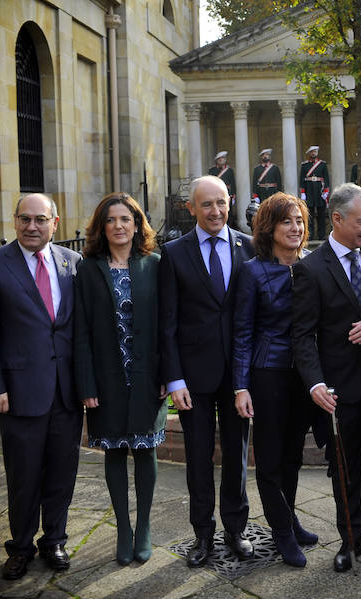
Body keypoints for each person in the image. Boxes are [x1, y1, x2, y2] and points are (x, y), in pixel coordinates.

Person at [0, 193, 83, 580]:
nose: (32, 227)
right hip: (17, 394)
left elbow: (79, 331)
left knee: (62, 473)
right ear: (14, 221)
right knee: (23, 475)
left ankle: (55, 540)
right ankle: (19, 547)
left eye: (40, 219)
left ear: (55, 222)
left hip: (66, 393)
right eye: (24, 219)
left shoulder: (73, 263)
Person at [291, 182, 361, 572]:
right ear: (336, 219)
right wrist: (316, 384)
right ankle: (349, 541)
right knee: (345, 469)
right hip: (338, 391)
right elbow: (302, 335)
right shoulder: (310, 269)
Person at [158, 175, 256, 567]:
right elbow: (167, 322)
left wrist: (250, 378)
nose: (215, 211)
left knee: (237, 455)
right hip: (193, 378)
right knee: (198, 459)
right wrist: (174, 378)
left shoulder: (249, 248)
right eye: (206, 205)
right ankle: (202, 535)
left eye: (221, 203)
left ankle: (236, 529)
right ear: (191, 209)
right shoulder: (174, 252)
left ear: (230, 202)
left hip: (238, 377)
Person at [74, 192, 168, 566]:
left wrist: (168, 375)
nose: (118, 226)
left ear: (136, 224)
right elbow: (80, 330)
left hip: (147, 374)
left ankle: (143, 527)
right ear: (102, 226)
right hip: (107, 376)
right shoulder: (87, 268)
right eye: (111, 220)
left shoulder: (155, 265)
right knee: (114, 451)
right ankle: (123, 530)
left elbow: (167, 325)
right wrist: (87, 385)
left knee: (145, 449)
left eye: (125, 219)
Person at [233, 193, 320, 568]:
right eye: (287, 221)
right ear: (270, 227)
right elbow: (242, 333)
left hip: (303, 376)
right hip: (267, 373)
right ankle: (281, 532)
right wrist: (241, 386)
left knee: (293, 457)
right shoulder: (252, 271)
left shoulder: (312, 267)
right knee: (269, 460)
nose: (295, 228)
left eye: (299, 220)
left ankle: (290, 517)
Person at [299, 145, 331, 240]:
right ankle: (310, 235)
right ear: (309, 153)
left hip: (319, 191)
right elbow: (302, 179)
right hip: (309, 191)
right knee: (309, 215)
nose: (313, 153)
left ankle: (321, 235)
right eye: (312, 152)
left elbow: (326, 178)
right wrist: (303, 192)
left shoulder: (322, 164)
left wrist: (326, 191)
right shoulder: (304, 165)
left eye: (315, 152)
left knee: (321, 214)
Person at [209, 150, 238, 228]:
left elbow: (233, 183)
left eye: (223, 158)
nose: (221, 160)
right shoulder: (212, 170)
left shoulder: (229, 170)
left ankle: (229, 226)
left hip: (227, 193)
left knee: (229, 211)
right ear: (217, 160)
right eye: (220, 159)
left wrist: (233, 194)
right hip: (215, 193)